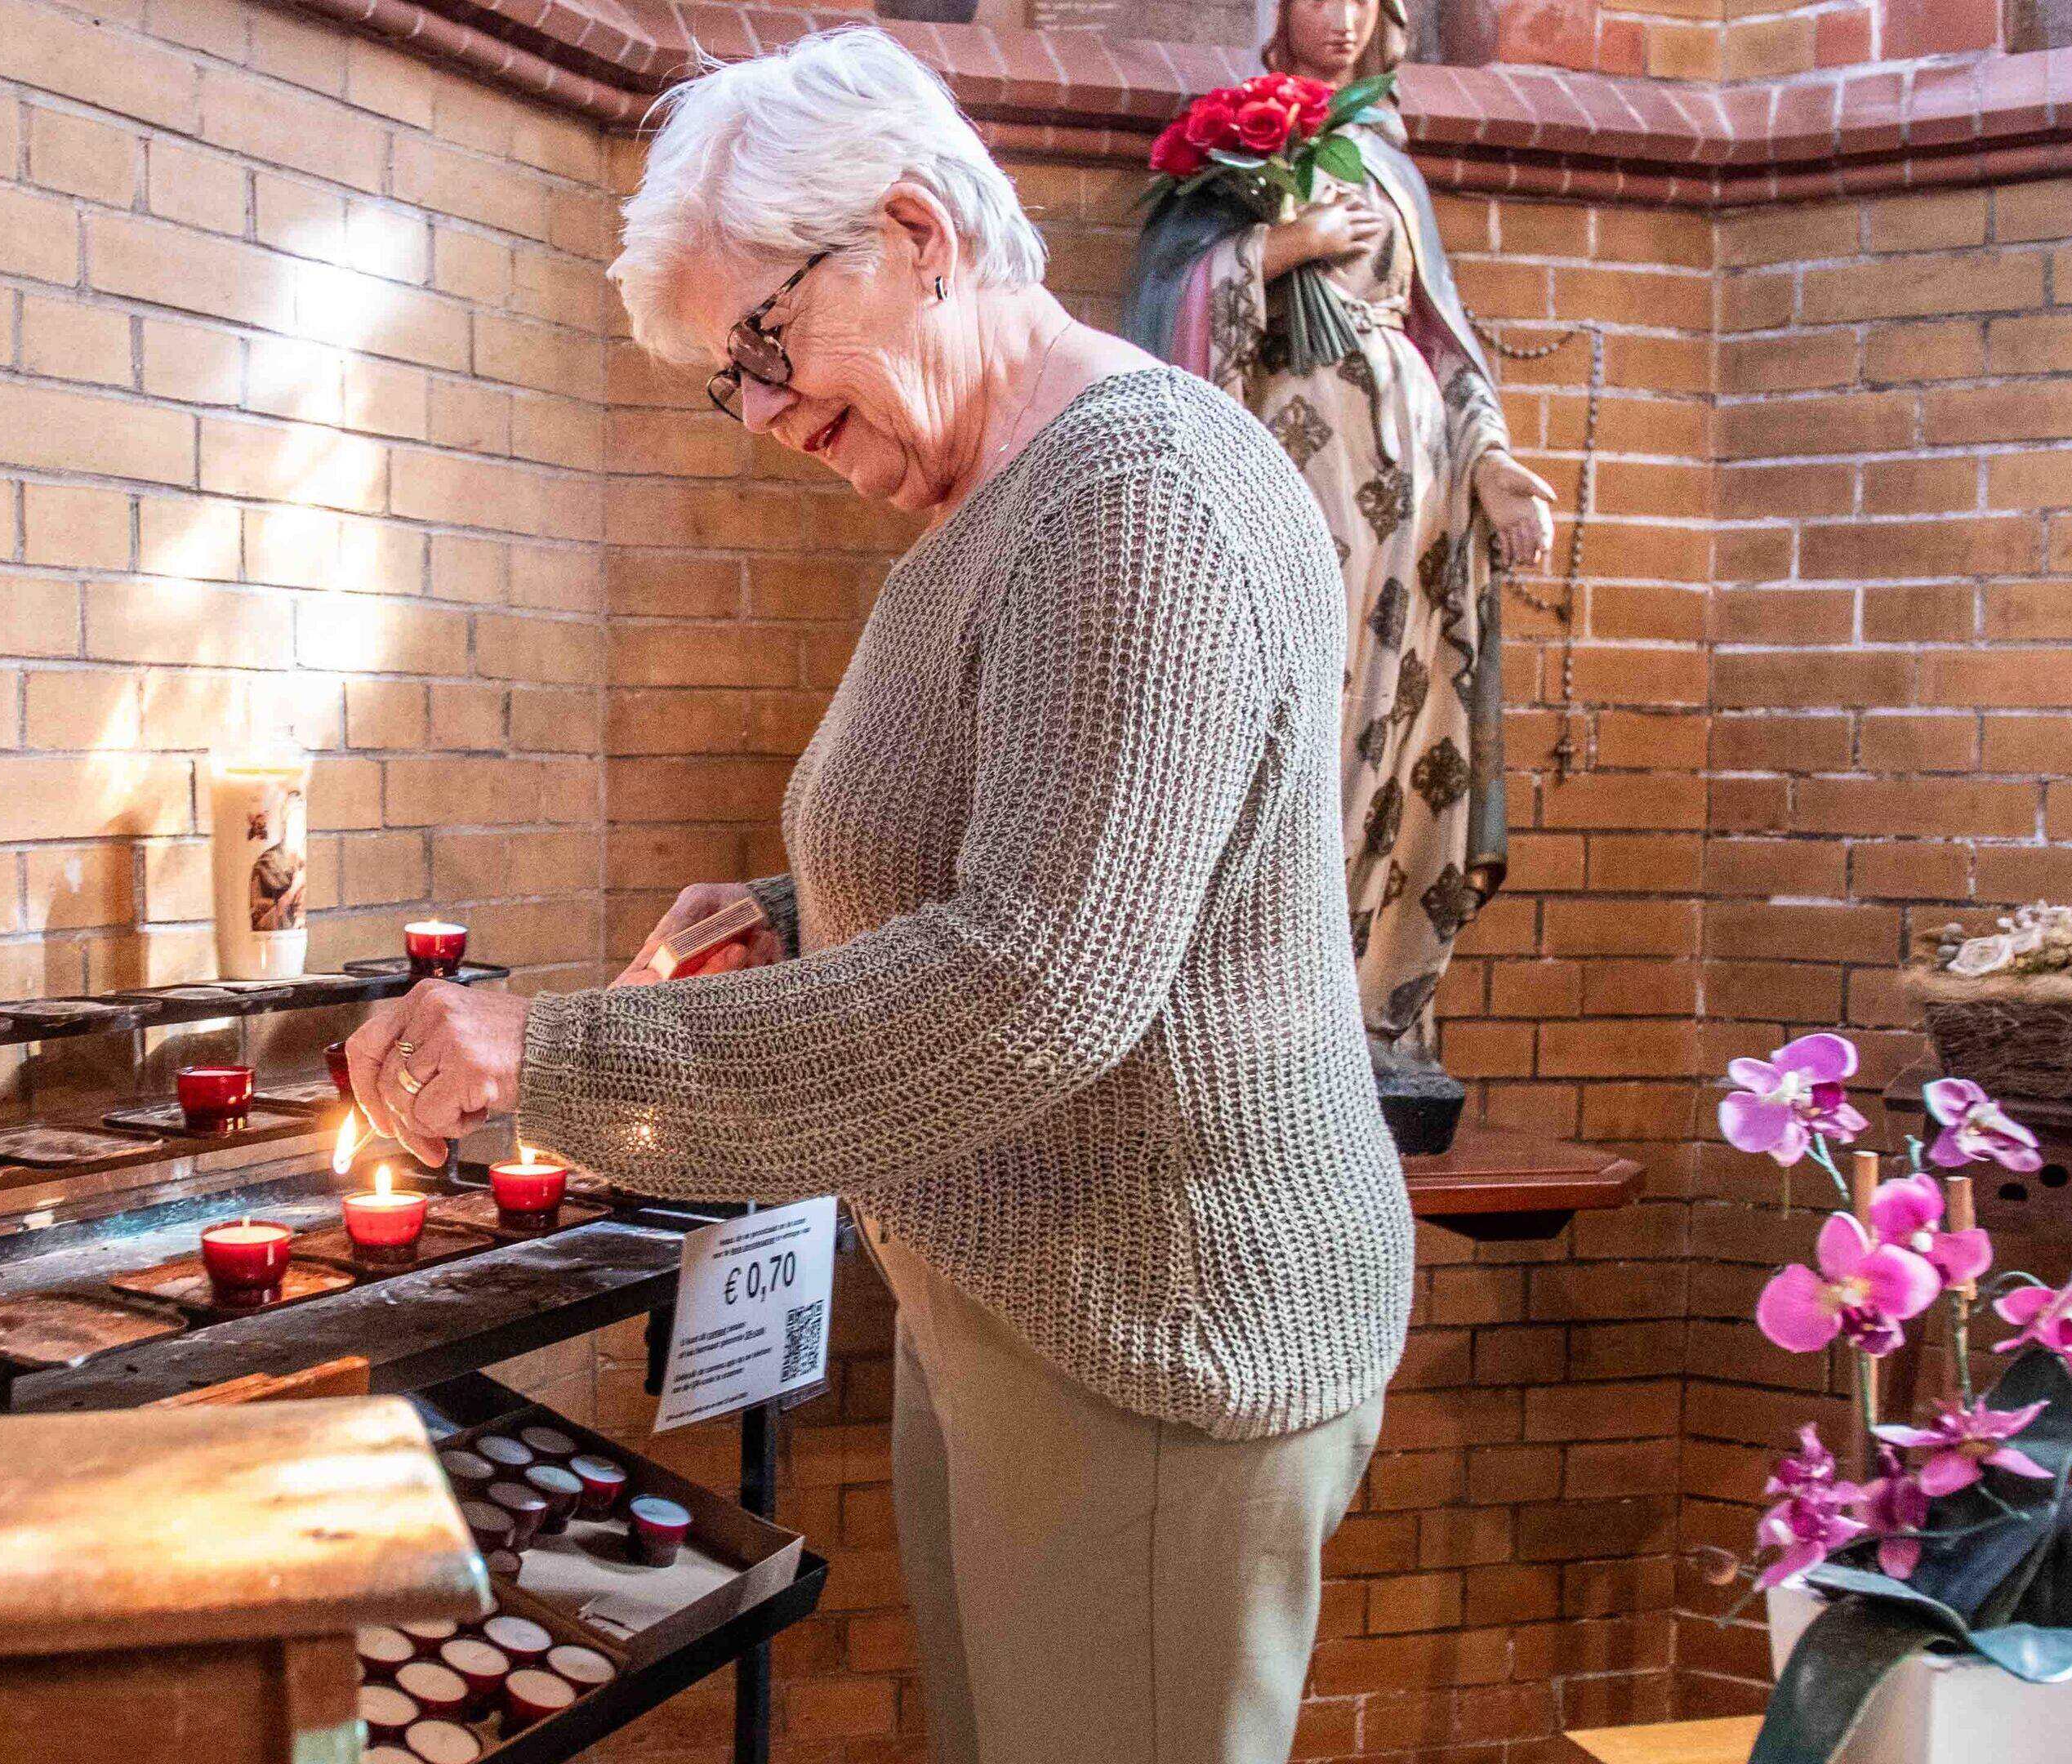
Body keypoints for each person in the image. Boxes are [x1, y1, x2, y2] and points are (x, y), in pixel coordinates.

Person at [345, 28, 1410, 1764]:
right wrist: (795, 908)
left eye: (762, 345)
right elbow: (1050, 840)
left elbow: (1037, 983)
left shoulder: (1137, 497)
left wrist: (551, 1053)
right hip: (1018, 1290)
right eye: (730, 379)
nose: (764, 413)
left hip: (1159, 1325)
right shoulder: (1000, 501)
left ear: (917, 233)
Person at [1125, 0, 1557, 1053]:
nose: (1346, 18)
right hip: (1296, 478)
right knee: (1298, 711)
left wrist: (1494, 465)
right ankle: (1260, 998)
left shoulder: (1392, 166)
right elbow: (1163, 313)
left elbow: (1443, 343)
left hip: (1420, 505)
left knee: (1395, 718)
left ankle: (1356, 995)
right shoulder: (1225, 147)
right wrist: (1284, 246)